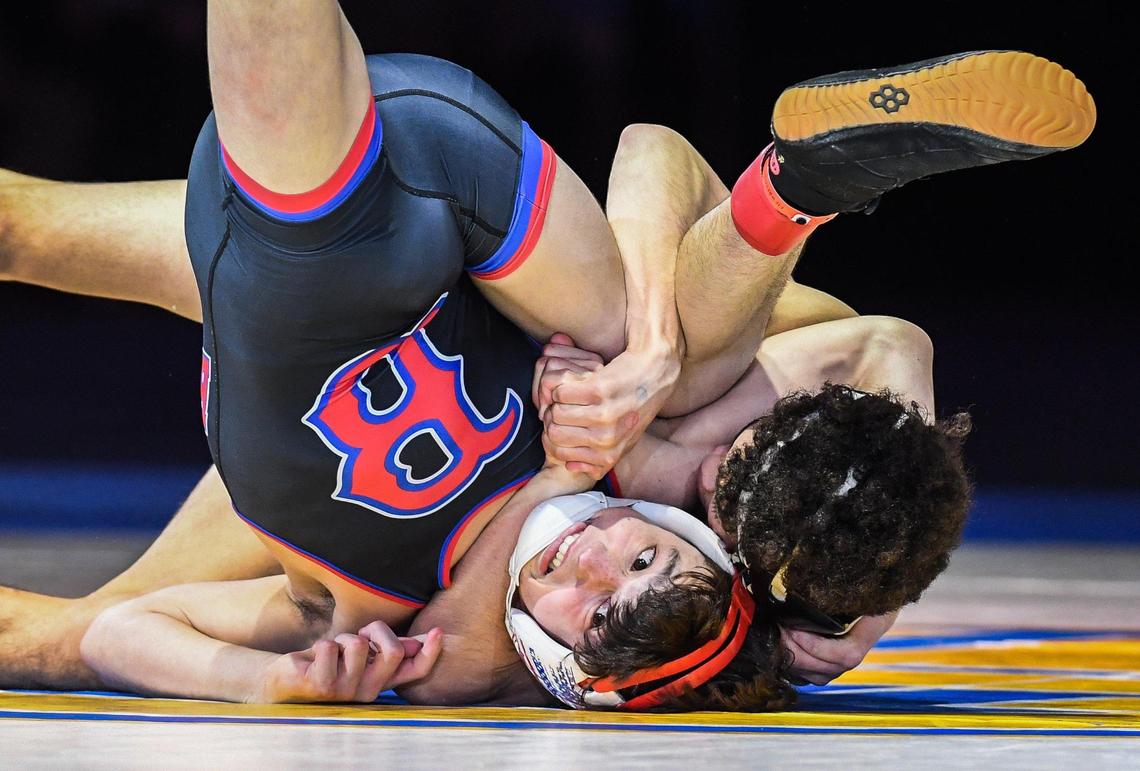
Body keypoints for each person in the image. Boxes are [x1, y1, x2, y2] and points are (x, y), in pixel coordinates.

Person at [1, 12, 1094, 708]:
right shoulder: (699, 467)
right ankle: (788, 193)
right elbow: (879, 339)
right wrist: (656, 366)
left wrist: (256, 684)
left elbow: (133, 637)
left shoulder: (447, 641)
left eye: (600, 599)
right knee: (676, 352)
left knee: (27, 240)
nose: (594, 562)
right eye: (644, 562)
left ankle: (785, 197)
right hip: (454, 272)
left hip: (334, 359)